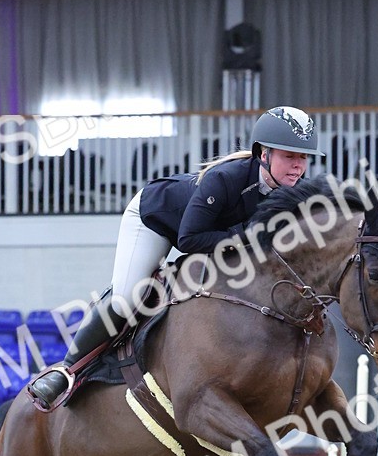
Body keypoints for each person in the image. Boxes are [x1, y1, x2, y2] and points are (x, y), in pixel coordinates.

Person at [28, 106, 321, 410]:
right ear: (263, 154)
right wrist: (248, 239)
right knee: (128, 298)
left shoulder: (294, 191)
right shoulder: (225, 178)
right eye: (289, 156)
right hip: (155, 221)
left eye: (303, 158)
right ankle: (67, 371)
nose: (298, 166)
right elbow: (189, 239)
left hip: (212, 234)